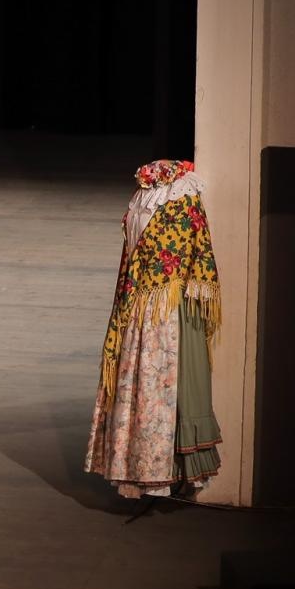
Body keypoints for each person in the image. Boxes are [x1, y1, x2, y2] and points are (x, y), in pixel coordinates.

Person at [85, 159, 222, 497]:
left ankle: (165, 472)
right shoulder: (141, 198)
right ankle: (136, 472)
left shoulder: (184, 199)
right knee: (139, 387)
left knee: (164, 391)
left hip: (170, 313)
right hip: (139, 309)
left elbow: (196, 254)